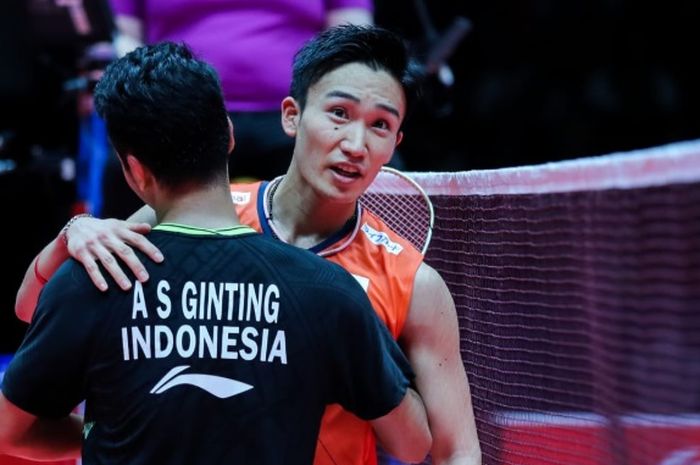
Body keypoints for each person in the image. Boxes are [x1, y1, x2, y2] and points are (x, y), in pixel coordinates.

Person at [14, 26, 481, 465]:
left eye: (380, 126)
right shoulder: (202, 211)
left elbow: (450, 450)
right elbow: (36, 308)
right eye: (339, 113)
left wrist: (355, 342)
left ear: (396, 142)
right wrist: (71, 237)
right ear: (292, 116)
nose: (355, 144)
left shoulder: (412, 282)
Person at [99, 0, 377, 218]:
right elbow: (123, 37)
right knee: (124, 165)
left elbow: (353, 37)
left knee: (375, 170)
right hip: (180, 112)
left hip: (298, 113)